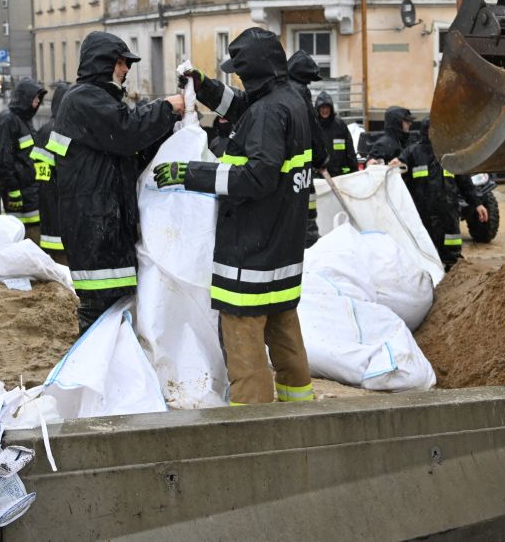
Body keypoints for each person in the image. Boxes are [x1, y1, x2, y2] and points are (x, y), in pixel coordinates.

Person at [157, 27, 314, 406]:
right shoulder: (291, 99)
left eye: (242, 74)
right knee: (286, 340)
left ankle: (252, 432)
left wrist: (189, 173)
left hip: (249, 259)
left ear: (256, 72)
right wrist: (205, 86)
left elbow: (257, 177)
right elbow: (246, 108)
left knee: (246, 357)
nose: (240, 80)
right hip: (282, 256)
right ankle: (302, 414)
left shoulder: (268, 112)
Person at [45, 31, 183, 332]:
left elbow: (128, 150)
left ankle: (107, 372)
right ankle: (89, 372)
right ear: (103, 63)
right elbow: (126, 131)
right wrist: (167, 108)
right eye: (121, 63)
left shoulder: (95, 101)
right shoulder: (85, 100)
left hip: (105, 225)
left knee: (114, 312)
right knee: (100, 313)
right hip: (95, 229)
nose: (126, 70)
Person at [400, 119, 488, 271]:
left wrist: (477, 203)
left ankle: (453, 274)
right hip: (422, 215)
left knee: (451, 247)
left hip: (448, 214)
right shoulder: (412, 153)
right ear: (427, 131)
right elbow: (396, 175)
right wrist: (392, 164)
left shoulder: (451, 155)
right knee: (425, 251)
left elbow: (465, 183)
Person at [0, 78, 46, 240]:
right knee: (23, 237)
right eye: (35, 98)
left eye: (39, 98)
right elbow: (2, 160)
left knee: (34, 234)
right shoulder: (8, 121)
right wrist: (13, 191)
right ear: (25, 97)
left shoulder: (24, 119)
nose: (37, 102)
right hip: (19, 193)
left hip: (30, 191)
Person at [286, 51, 329, 247]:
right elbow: (312, 128)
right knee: (306, 227)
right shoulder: (300, 91)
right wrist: (321, 158)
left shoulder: (279, 89)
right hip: (299, 170)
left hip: (277, 170)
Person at [32, 81, 71, 263]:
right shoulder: (53, 131)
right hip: (57, 201)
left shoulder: (50, 129)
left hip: (53, 202)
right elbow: (45, 175)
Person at [315, 91, 358, 176]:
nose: (325, 110)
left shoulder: (339, 124)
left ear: (331, 108)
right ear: (318, 109)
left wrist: (354, 169)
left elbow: (349, 148)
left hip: (340, 173)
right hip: (321, 175)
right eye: (322, 108)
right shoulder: (314, 126)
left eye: (327, 107)